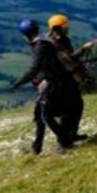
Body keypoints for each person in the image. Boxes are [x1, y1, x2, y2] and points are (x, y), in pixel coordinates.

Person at [11, 18, 83, 154]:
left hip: (55, 84)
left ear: (24, 35)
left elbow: (35, 69)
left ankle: (63, 142)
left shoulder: (40, 46)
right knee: (45, 114)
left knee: (45, 116)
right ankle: (40, 146)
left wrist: (18, 83)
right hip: (59, 82)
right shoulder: (45, 42)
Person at [46, 13, 90, 142]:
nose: (67, 28)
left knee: (77, 106)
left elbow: (70, 58)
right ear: (57, 28)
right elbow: (69, 59)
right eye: (65, 26)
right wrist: (83, 49)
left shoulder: (64, 39)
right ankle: (63, 140)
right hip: (61, 82)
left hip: (69, 79)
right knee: (67, 109)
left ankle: (72, 133)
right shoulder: (52, 44)